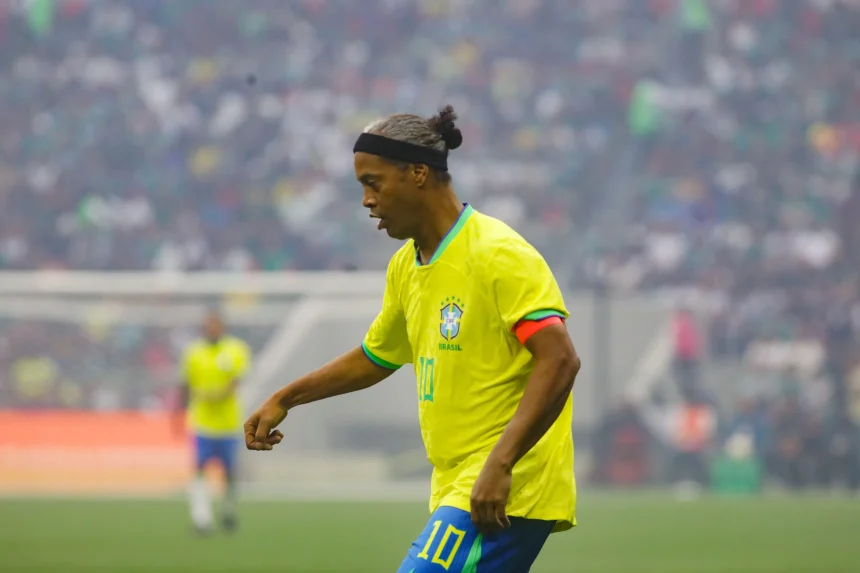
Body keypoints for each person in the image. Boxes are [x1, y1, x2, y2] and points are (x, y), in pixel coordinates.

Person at [245, 105, 581, 572]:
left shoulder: (497, 253)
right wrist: (286, 398)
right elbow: (375, 357)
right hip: (457, 481)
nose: (366, 200)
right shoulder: (407, 265)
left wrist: (501, 463)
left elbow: (560, 359)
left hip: (508, 479)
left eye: (374, 183)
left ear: (418, 173)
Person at [174, 309, 251, 535]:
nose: (213, 329)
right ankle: (201, 518)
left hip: (229, 422)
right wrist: (179, 412)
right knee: (199, 468)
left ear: (222, 327)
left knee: (229, 470)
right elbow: (186, 384)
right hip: (203, 423)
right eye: (209, 325)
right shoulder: (193, 352)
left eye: (216, 325)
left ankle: (228, 510)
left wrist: (218, 394)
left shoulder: (236, 349)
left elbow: (237, 380)